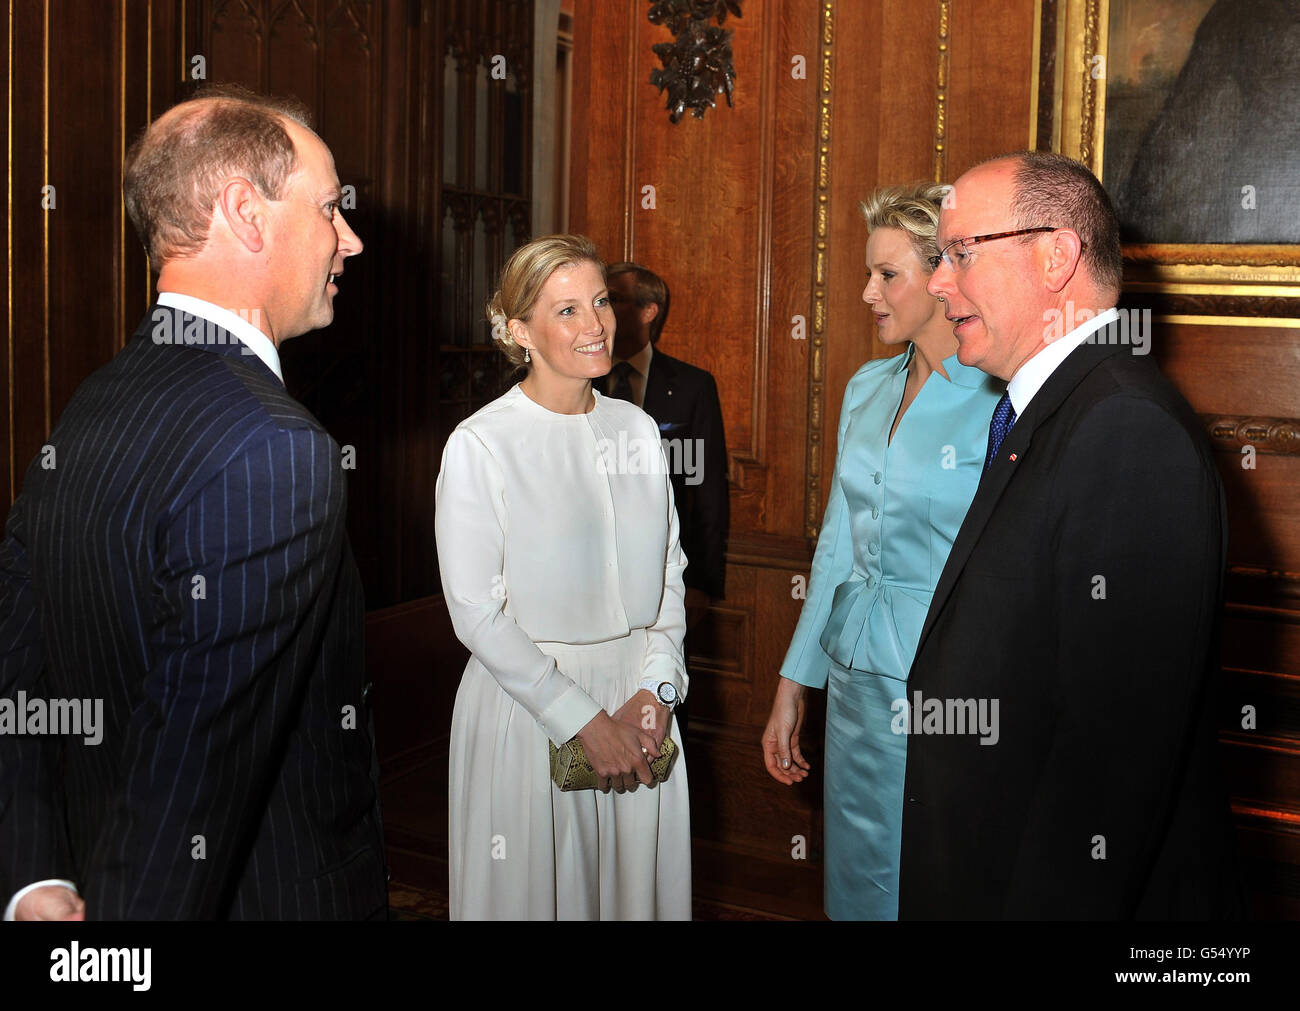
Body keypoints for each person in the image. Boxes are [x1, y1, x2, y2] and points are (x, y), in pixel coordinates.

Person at [0, 85, 387, 920]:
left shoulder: (93, 400)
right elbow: (194, 767)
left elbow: (18, 681)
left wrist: (33, 874)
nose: (349, 239)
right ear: (247, 213)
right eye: (330, 209)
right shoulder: (276, 446)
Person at [902, 151, 1238, 918]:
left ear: (1056, 255)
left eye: (959, 254)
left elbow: (1110, 766)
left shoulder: (1124, 427)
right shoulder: (1055, 408)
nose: (937, 283)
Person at [761, 184, 1003, 920]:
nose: (867, 292)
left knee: (936, 873)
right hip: (854, 675)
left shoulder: (1001, 399)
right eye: (868, 273)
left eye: (886, 275)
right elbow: (837, 541)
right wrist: (792, 680)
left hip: (946, 684)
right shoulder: (867, 387)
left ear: (941, 279)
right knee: (860, 876)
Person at [435, 234, 691, 920]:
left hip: (639, 704)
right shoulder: (481, 444)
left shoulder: (637, 431)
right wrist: (579, 718)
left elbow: (670, 572)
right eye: (568, 310)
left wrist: (658, 686)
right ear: (520, 330)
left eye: (601, 302)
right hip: (531, 710)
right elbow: (475, 612)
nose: (597, 324)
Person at [598, 262, 729, 740]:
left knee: (660, 699)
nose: (603, 311)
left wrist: (702, 585)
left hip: (664, 580)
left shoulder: (691, 386)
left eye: (612, 299)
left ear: (649, 311)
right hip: (593, 579)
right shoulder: (582, 381)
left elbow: (707, 492)